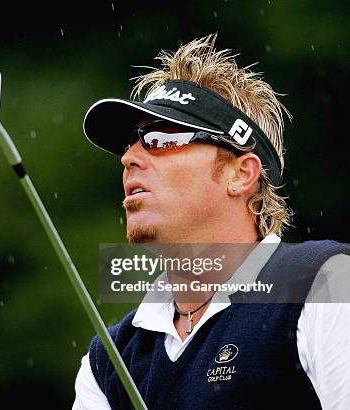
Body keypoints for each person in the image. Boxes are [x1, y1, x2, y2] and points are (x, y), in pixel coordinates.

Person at [73, 34, 350, 409]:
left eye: (159, 138)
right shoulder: (108, 360)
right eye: (130, 143)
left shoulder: (327, 283)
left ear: (241, 174)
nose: (130, 158)